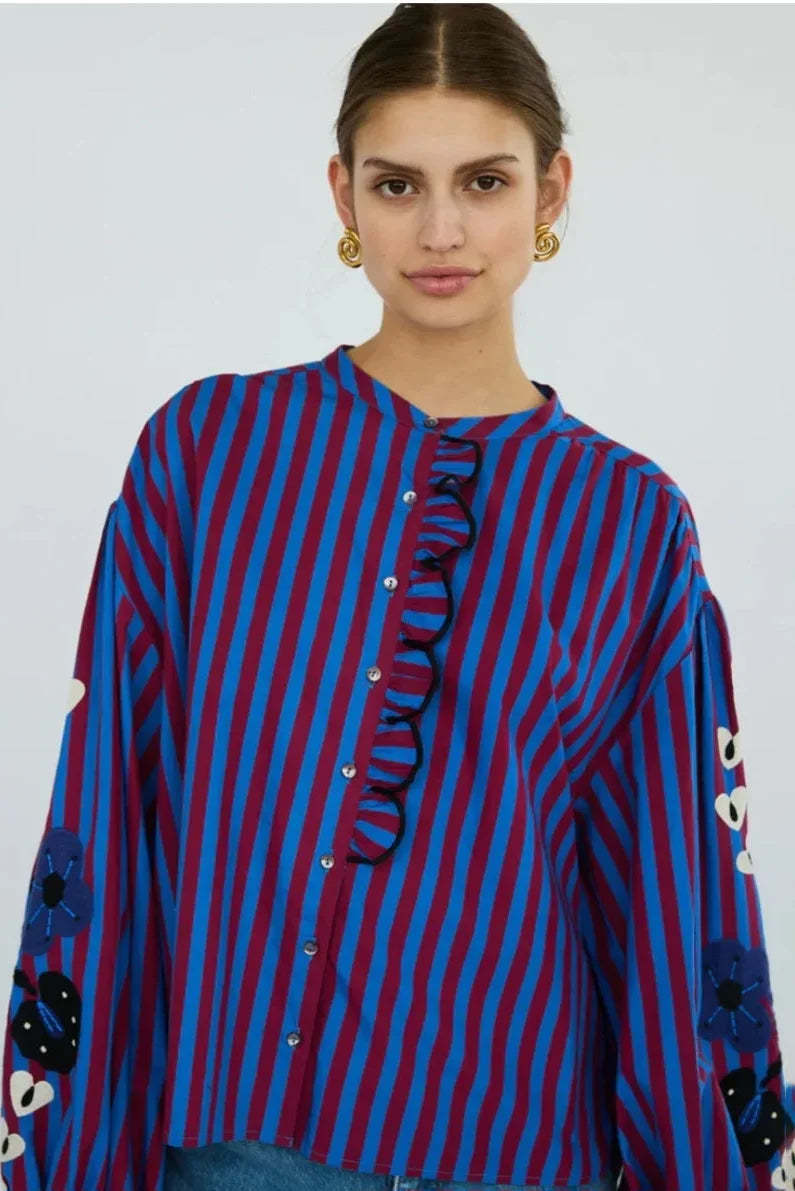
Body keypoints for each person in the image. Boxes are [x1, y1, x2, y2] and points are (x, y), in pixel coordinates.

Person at [1, 5, 792, 1191]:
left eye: (484, 181)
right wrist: (69, 1153)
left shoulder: (629, 519)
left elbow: (678, 885)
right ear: (343, 195)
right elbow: (109, 807)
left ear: (552, 190)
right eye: (396, 184)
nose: (440, 230)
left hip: (515, 1151)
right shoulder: (210, 453)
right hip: (238, 1152)